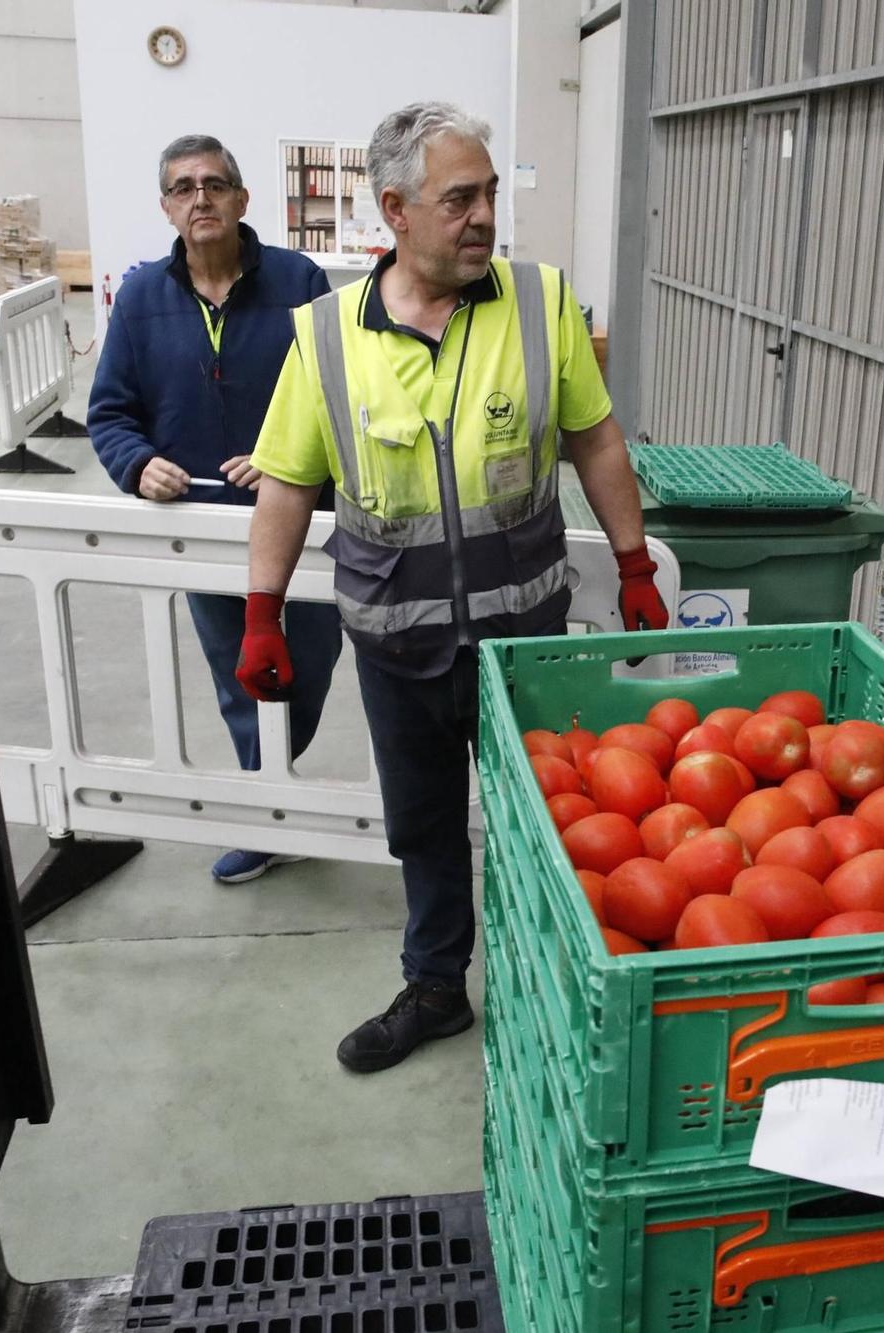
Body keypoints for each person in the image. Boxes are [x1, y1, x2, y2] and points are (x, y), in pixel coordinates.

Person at [238, 103, 667, 1072]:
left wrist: (633, 560)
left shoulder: (540, 301)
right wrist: (262, 612)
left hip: (524, 645)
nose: (482, 218)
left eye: (489, 196)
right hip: (396, 645)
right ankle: (437, 987)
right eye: (458, 199)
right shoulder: (326, 338)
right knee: (423, 827)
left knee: (548, 824)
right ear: (394, 209)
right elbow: (290, 483)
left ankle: (548, 985)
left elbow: (593, 435)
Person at [88, 134, 345, 885]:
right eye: (183, 187)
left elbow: (341, 394)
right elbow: (109, 414)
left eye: (214, 184)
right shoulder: (140, 298)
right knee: (239, 677)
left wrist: (285, 460)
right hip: (202, 531)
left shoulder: (300, 282)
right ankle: (265, 811)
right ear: (167, 206)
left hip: (303, 525)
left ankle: (275, 779)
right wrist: (138, 467)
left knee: (312, 665)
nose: (199, 198)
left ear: (241, 199)